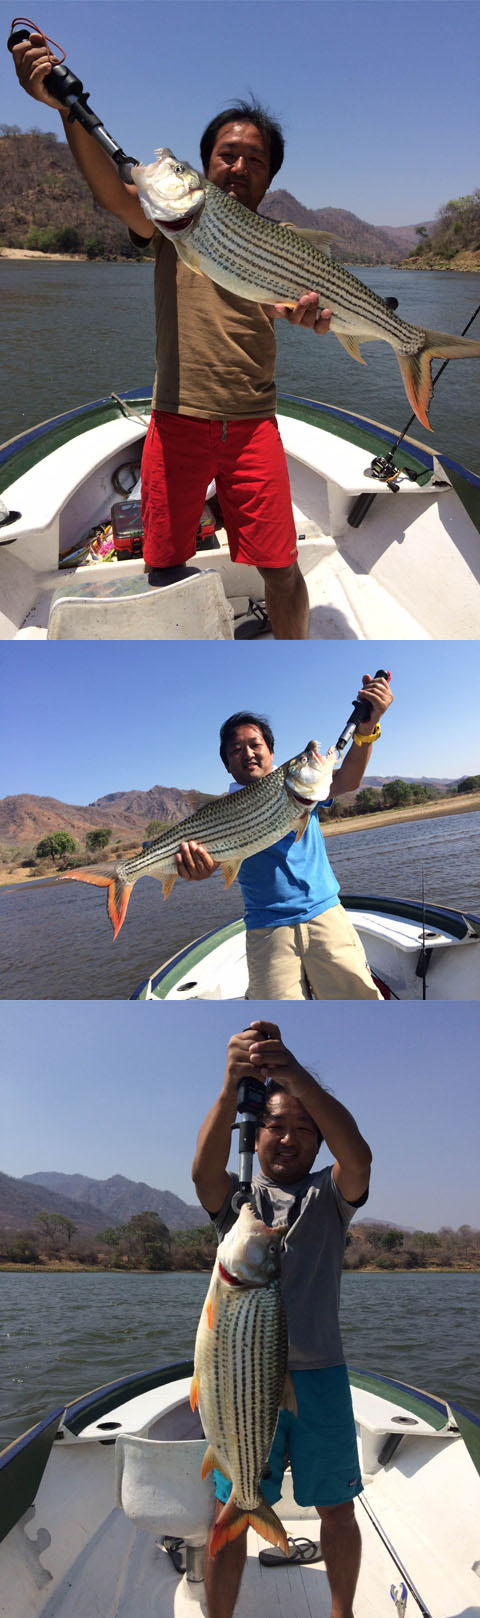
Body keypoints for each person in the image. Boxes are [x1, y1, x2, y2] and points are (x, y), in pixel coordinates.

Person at [12, 34, 332, 638]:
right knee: (161, 564)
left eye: (255, 159)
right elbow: (113, 194)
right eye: (227, 155)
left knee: (283, 569)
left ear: (270, 177)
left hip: (253, 424)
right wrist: (65, 111)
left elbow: (299, 307)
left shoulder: (284, 245)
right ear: (207, 164)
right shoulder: (171, 224)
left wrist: (312, 316)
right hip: (176, 419)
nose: (239, 166)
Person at [192, 1020, 372, 1618]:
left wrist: (295, 1077)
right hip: (237, 1383)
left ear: (320, 1142)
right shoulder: (239, 1206)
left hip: (320, 1377)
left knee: (337, 1508)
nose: (289, 1137)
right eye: (275, 1124)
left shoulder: (331, 1196)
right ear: (256, 1133)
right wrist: (230, 1086)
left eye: (304, 1128)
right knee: (231, 1503)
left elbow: (359, 1159)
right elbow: (203, 1175)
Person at [176, 670, 394, 999]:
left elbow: (348, 779)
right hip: (266, 928)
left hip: (325, 914)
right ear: (227, 764)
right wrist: (197, 871)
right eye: (236, 750)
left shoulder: (300, 787)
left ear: (271, 752)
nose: (248, 753)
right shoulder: (219, 812)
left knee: (358, 1004)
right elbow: (208, 866)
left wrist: (367, 730)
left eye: (255, 744)